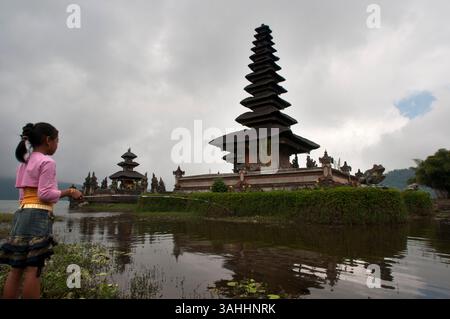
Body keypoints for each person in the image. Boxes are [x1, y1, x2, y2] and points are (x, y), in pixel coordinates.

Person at [0, 123, 83, 299]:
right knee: (34, 269)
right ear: (48, 140)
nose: (57, 145)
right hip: (38, 215)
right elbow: (45, 194)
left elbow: (22, 194)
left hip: (21, 213)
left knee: (16, 268)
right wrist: (68, 192)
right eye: (57, 141)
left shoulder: (24, 162)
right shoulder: (47, 162)